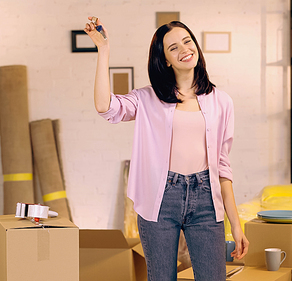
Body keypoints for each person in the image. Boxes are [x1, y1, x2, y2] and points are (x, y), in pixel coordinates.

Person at [84, 17, 249, 281]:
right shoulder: (147, 99)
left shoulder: (222, 102)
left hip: (206, 199)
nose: (184, 49)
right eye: (173, 48)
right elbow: (106, 107)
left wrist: (236, 225)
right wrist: (103, 51)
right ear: (166, 60)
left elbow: (223, 167)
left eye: (187, 41)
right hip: (160, 199)